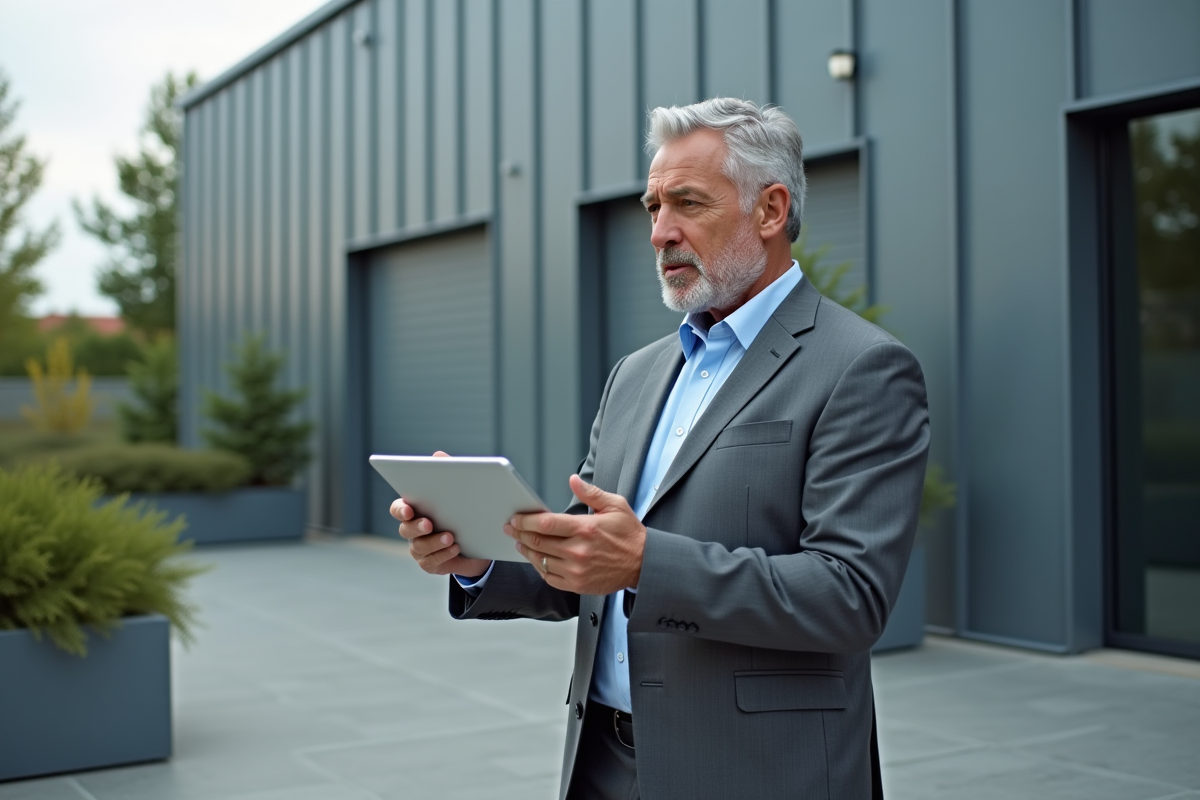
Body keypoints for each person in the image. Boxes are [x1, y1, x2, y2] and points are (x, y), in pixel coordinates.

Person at [392, 97, 929, 800]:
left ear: (769, 211)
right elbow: (589, 553)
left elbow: (849, 595)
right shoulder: (638, 373)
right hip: (606, 764)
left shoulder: (861, 367)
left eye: (687, 203)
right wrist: (476, 560)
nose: (659, 231)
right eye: (652, 207)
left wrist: (646, 561)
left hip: (762, 773)